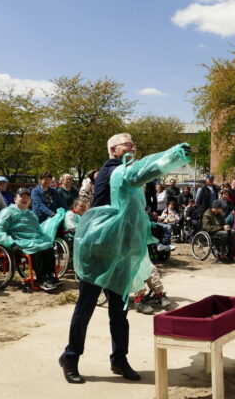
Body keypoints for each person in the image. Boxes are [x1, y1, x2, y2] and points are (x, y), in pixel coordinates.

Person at [60, 133, 190, 384]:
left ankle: (119, 360)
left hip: (118, 252)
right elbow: (144, 171)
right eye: (128, 145)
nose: (133, 148)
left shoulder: (123, 171)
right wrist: (174, 154)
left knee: (119, 311)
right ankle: (70, 357)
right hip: (98, 251)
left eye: (133, 144)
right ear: (113, 149)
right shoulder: (113, 171)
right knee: (85, 307)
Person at [0, 188, 61, 290]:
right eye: (22, 197)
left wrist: (47, 240)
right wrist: (11, 243)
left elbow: (39, 231)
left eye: (27, 197)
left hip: (34, 239)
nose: (25, 199)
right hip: (18, 240)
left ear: (30, 200)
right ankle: (42, 279)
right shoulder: (7, 212)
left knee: (48, 245)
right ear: (15, 199)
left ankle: (49, 276)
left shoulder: (31, 214)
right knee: (37, 247)